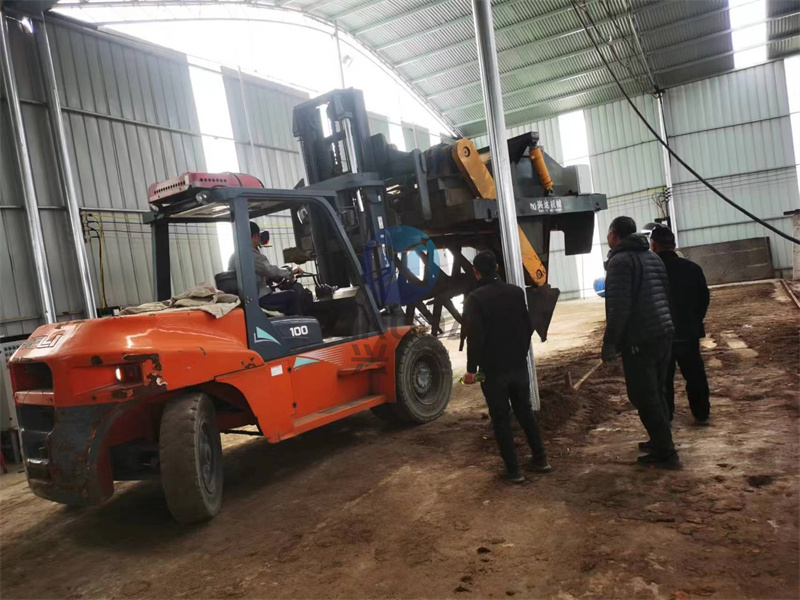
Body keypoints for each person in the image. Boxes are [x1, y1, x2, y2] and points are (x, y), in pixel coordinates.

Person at [462, 249, 551, 484]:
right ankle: (541, 459)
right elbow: (527, 326)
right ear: (497, 268)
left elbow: (475, 337)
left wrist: (472, 369)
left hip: (493, 371)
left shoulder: (475, 299)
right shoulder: (516, 292)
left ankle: (514, 471)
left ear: (476, 272)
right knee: (525, 412)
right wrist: (520, 353)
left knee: (501, 419)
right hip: (518, 365)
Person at [602, 216, 681, 469]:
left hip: (640, 339)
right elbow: (666, 295)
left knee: (643, 396)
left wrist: (610, 343)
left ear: (614, 234)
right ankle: (659, 441)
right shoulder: (653, 257)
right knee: (656, 391)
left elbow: (618, 308)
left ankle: (666, 454)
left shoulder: (620, 262)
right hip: (663, 333)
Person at [649, 225, 711, 425]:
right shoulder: (692, 268)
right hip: (688, 333)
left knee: (663, 379)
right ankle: (701, 413)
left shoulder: (650, 273)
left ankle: (666, 416)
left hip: (661, 336)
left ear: (653, 246)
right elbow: (703, 299)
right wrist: (694, 320)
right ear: (674, 245)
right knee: (695, 375)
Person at [229, 222, 304, 315]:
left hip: (247, 298)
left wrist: (272, 277)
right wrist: (290, 272)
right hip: (258, 298)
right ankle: (298, 322)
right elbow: (269, 270)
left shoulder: (234, 256)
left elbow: (259, 273)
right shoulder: (250, 254)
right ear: (255, 236)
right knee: (293, 296)